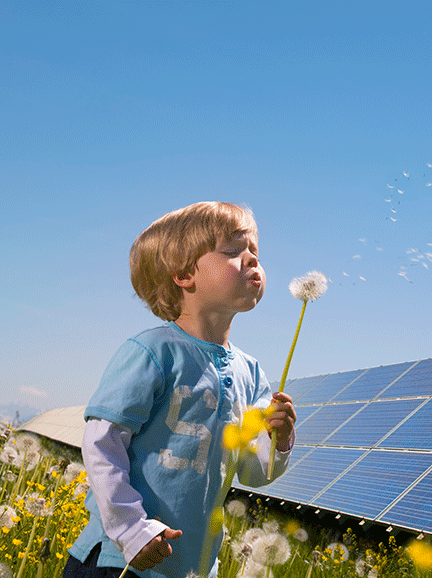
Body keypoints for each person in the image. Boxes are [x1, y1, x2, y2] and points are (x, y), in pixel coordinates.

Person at [64, 201, 296, 578]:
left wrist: (279, 440)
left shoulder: (252, 374)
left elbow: (253, 472)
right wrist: (131, 530)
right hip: (120, 561)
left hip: (192, 568)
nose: (252, 259)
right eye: (233, 251)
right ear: (185, 275)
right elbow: (102, 443)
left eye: (255, 251)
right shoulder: (152, 352)